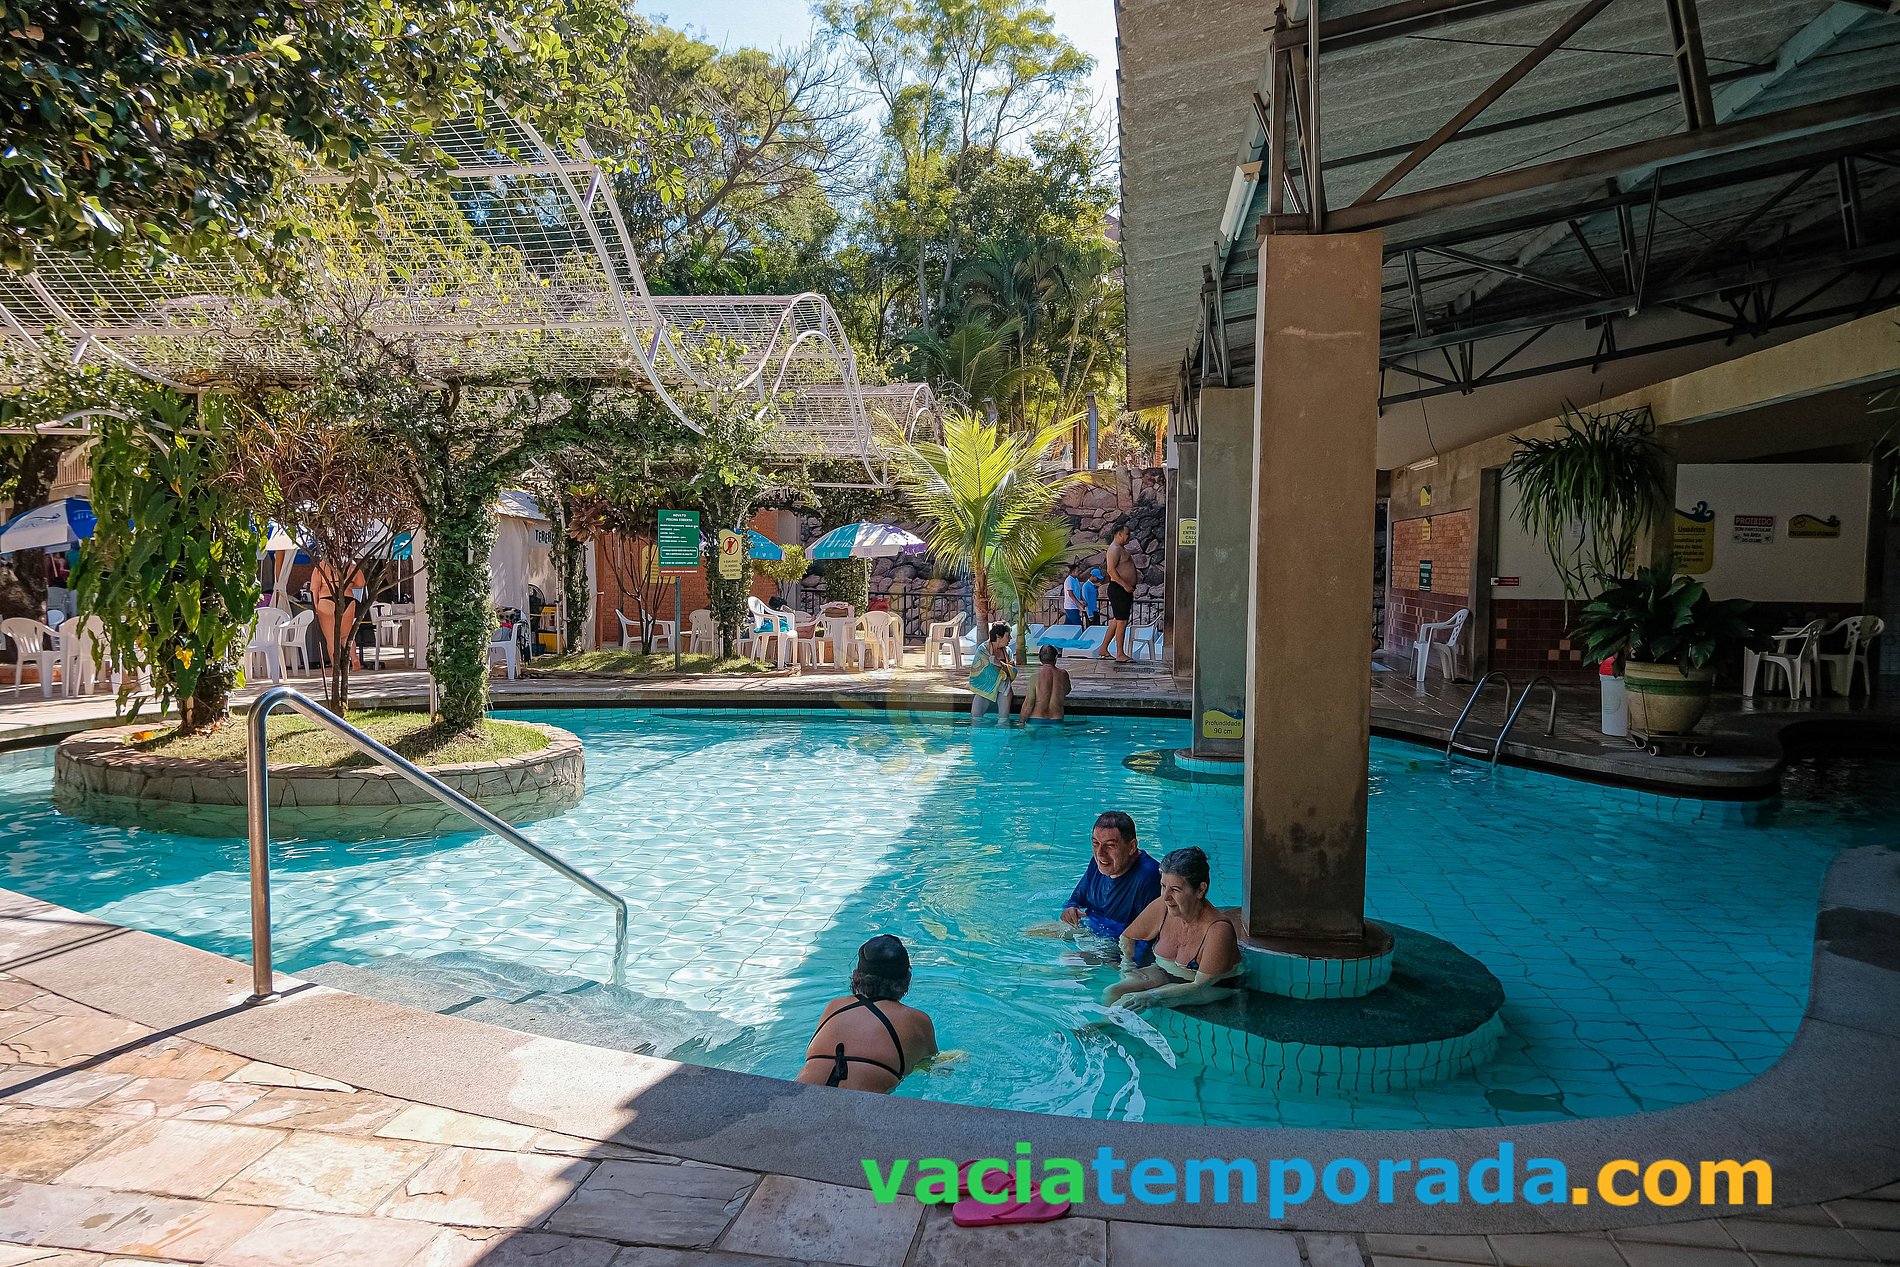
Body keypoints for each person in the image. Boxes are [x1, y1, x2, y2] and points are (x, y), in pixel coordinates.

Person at [1101, 846, 1241, 1012]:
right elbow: (1127, 937)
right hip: (1164, 972)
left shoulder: (1218, 930)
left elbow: (1201, 986)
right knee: (1111, 991)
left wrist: (1153, 996)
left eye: (1175, 890)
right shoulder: (1163, 907)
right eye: (1163, 886)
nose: (1166, 896)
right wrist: (1128, 967)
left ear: (1200, 890)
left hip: (1209, 987)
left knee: (1126, 1002)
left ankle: (1102, 1027)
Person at [798, 935, 937, 1092]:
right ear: (907, 979)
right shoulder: (916, 1021)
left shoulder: (834, 1006)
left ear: (856, 975)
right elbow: (931, 1065)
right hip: (858, 1106)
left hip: (796, 1099)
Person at [1062, 812, 1162, 956]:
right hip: (1090, 929)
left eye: (1110, 846)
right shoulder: (1098, 863)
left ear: (1132, 847)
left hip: (1117, 945)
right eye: (1096, 844)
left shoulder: (1148, 877)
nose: (1100, 854)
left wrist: (1122, 962)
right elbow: (1076, 899)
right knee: (1030, 932)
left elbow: (1149, 938)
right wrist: (1071, 909)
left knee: (1067, 959)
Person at [1099, 522, 1137, 663]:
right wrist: (1125, 584)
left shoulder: (1120, 548)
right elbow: (1110, 570)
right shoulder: (1114, 548)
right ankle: (1120, 653)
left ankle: (1103, 648)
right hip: (1119, 588)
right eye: (1127, 534)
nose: (1129, 536)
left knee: (1118, 620)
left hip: (1123, 589)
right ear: (1119, 534)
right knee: (1122, 622)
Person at [968, 622, 1016, 723]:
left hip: (1004, 687)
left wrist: (999, 664)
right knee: (975, 718)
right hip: (985, 687)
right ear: (998, 636)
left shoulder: (1008, 652)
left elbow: (1013, 672)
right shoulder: (983, 650)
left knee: (1003, 720)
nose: (1010, 638)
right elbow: (979, 672)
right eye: (1008, 636)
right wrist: (1004, 669)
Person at [1021, 644, 1071, 723]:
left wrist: (1021, 722)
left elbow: (1029, 703)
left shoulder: (1034, 678)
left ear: (1040, 658)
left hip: (1036, 719)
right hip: (1056, 719)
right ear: (1056, 657)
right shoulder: (1063, 674)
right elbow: (1067, 690)